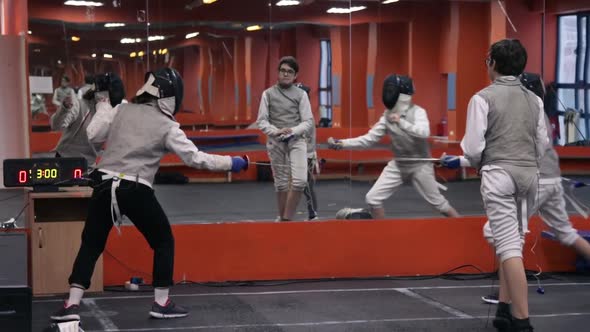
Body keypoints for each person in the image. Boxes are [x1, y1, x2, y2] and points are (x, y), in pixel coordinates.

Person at [50, 68, 249, 322]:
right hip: (134, 187)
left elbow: (94, 135)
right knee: (163, 241)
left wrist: (102, 101)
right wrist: (233, 163)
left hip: (102, 183)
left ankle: (71, 305)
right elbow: (196, 159)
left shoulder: (121, 109)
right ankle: (161, 302)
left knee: (92, 243)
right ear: (170, 95)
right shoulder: (167, 125)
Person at [441, 39, 549, 332]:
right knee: (510, 240)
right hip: (528, 178)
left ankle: (522, 321)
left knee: (510, 247)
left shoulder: (482, 98)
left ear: (493, 64)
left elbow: (474, 148)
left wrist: (470, 162)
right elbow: (543, 145)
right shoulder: (535, 100)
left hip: (499, 176)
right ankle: (503, 309)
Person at [478, 72, 590, 330]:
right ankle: (505, 302)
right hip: (553, 180)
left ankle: (508, 300)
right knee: (565, 232)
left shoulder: (523, 114)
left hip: (538, 181)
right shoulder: (539, 111)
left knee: (500, 234)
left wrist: (466, 160)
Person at [328, 74, 460, 220]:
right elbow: (368, 139)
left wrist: (401, 122)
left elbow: (423, 133)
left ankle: (461, 225)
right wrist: (342, 144)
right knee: (372, 199)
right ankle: (383, 234)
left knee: (439, 204)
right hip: (398, 163)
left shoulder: (418, 112)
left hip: (420, 164)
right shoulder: (386, 117)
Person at [257, 56, 314, 221]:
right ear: (278, 72)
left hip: (297, 140)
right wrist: (275, 131)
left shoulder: (301, 95)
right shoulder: (267, 94)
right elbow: (261, 120)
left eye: (290, 72)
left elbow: (308, 121)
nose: (286, 74)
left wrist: (293, 131)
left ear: (295, 76)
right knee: (281, 182)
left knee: (300, 181)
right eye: (283, 70)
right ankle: (283, 220)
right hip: (276, 140)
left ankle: (286, 218)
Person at [51, 73, 124, 170]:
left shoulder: (112, 111)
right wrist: (64, 109)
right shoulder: (80, 105)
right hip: (65, 160)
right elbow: (56, 126)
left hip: (89, 165)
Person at [295, 82, 320, 220]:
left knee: (307, 186)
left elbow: (304, 139)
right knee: (298, 186)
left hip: (306, 156)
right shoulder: (297, 113)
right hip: (298, 155)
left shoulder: (307, 117)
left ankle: (313, 213)